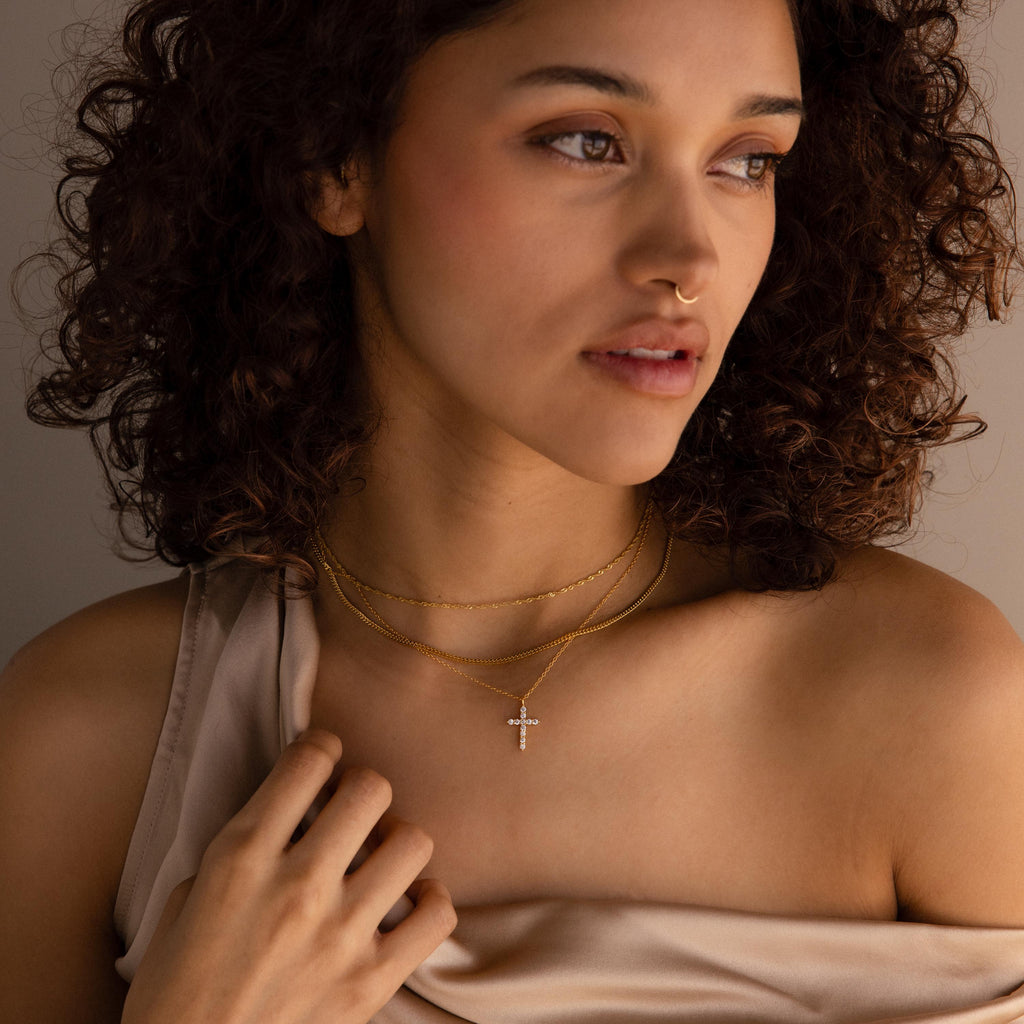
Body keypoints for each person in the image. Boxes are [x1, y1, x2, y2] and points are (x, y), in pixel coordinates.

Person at [3, 0, 1024, 1020]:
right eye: (587, 142)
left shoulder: (934, 707)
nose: (688, 257)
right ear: (333, 159)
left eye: (746, 159)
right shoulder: (86, 746)